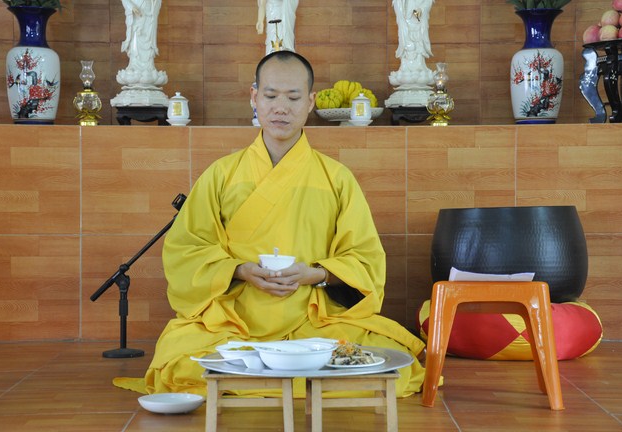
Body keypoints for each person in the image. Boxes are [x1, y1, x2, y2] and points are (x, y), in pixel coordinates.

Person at [113, 50, 428, 398]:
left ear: (310, 102)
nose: (281, 108)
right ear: (254, 97)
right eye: (271, 96)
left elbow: (366, 260)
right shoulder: (221, 175)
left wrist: (315, 273)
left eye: (293, 98)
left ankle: (255, 378)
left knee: (394, 364)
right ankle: (292, 377)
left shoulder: (336, 178)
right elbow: (186, 250)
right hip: (234, 318)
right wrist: (239, 270)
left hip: (313, 317)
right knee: (178, 361)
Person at [390, 0, 434, 87]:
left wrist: (421, 9)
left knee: (419, 45)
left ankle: (420, 67)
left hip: (418, 20)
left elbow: (428, 2)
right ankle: (405, 67)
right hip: (406, 20)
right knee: (407, 43)